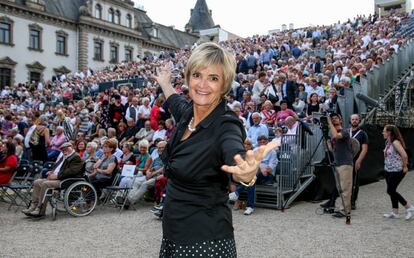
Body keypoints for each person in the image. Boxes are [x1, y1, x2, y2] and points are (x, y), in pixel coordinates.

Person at [154, 42, 278, 257]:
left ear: (224, 85)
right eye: (197, 75)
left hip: (205, 241)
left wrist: (245, 173)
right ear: (188, 78)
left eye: (213, 78)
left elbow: (234, 154)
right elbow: (173, 99)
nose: (202, 84)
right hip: (174, 233)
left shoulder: (226, 125)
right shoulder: (187, 113)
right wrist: (164, 82)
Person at [22, 142, 84, 217]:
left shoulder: (75, 157)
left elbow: (71, 171)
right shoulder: (65, 156)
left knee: (45, 184)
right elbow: (57, 166)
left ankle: (40, 209)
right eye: (63, 150)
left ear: (70, 148)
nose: (63, 151)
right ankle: (33, 206)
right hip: (59, 178)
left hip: (67, 180)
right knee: (37, 182)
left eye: (65, 149)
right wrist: (52, 171)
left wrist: (56, 176)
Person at [228, 135, 278, 215]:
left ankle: (237, 193)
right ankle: (249, 207)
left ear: (267, 142)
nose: (262, 143)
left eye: (264, 141)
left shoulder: (272, 152)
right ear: (258, 142)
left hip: (267, 176)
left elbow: (270, 169)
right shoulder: (255, 150)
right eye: (260, 141)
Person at [382, 125, 414, 220]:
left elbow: (404, 155)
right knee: (392, 191)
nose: (383, 133)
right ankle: (395, 212)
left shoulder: (396, 142)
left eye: (384, 131)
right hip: (388, 170)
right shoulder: (388, 142)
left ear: (389, 132)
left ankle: (409, 207)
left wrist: (404, 166)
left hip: (397, 170)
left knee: (390, 190)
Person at [327, 113, 354, 218]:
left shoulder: (345, 131)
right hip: (338, 163)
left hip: (345, 163)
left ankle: (346, 211)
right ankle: (342, 208)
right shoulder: (332, 133)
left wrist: (329, 122)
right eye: (332, 118)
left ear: (341, 120)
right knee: (340, 188)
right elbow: (332, 149)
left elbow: (336, 136)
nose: (334, 120)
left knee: (346, 187)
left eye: (336, 118)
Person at [349, 114, 369, 210]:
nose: (354, 121)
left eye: (356, 119)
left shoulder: (362, 134)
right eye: (353, 119)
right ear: (350, 120)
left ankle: (353, 201)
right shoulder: (345, 131)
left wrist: (358, 161)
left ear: (359, 121)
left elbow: (364, 149)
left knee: (355, 182)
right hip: (346, 161)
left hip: (355, 160)